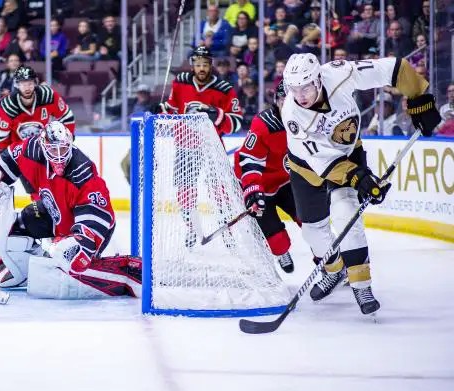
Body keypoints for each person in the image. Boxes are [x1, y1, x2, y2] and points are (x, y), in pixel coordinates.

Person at [281, 53, 441, 315]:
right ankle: (334, 270)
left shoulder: (338, 73)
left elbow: (392, 68)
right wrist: (361, 178)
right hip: (307, 167)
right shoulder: (292, 112)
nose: (301, 95)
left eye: (306, 86)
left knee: (347, 215)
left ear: (319, 79)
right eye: (294, 88)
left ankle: (361, 285)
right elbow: (323, 161)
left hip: (347, 153)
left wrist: (419, 98)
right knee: (312, 232)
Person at [0, 121, 142, 298]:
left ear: (70, 144)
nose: (59, 155)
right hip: (56, 214)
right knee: (15, 228)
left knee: (67, 256)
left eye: (63, 148)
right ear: (43, 146)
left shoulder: (82, 171)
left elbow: (99, 214)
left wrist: (83, 242)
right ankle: (26, 270)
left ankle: (124, 273)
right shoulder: (31, 150)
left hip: (90, 229)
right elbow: (6, 161)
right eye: (53, 149)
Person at [153, 46, 244, 246]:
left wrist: (218, 115)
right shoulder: (181, 82)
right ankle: (192, 228)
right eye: (198, 64)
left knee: (220, 190)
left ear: (210, 65)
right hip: (185, 145)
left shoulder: (224, 89)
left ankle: (226, 227)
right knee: (185, 191)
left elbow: (236, 122)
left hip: (212, 148)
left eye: (205, 64)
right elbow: (173, 110)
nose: (201, 68)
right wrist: (161, 110)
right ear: (193, 65)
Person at [234, 81, 300, 273]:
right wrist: (252, 188)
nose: (287, 105)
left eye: (292, 100)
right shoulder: (264, 124)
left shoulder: (307, 120)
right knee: (278, 241)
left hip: (286, 182)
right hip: (261, 184)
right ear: (276, 101)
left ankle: (329, 263)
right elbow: (248, 159)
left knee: (312, 222)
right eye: (283, 100)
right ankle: (281, 253)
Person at [0, 65, 75, 152]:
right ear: (17, 85)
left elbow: (67, 117)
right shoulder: (7, 106)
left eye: (30, 83)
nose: (27, 88)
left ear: (35, 82)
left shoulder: (48, 96)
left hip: (44, 149)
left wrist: (66, 140)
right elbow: (1, 136)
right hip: (18, 152)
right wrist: (6, 155)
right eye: (23, 84)